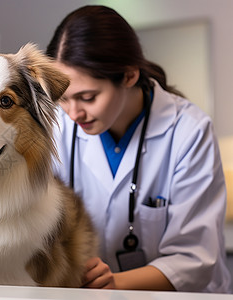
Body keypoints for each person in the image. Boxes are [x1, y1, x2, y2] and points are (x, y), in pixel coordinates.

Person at [47, 5, 231, 293]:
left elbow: (195, 259)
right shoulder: (58, 126)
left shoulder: (189, 132)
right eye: (64, 98)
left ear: (129, 76)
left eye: (87, 97)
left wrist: (114, 283)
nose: (73, 113)